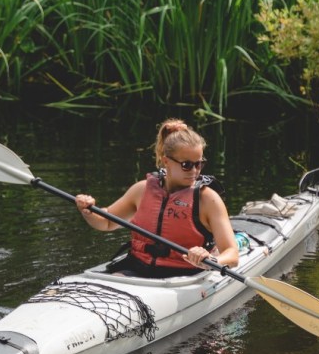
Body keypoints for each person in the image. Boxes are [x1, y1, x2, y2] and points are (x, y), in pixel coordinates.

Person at [75, 117, 239, 278]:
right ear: (165, 161)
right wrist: (88, 210)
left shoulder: (208, 199)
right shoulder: (142, 190)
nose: (195, 171)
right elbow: (107, 222)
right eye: (187, 165)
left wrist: (210, 260)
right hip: (138, 267)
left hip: (184, 275)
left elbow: (232, 254)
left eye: (199, 164)